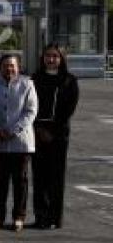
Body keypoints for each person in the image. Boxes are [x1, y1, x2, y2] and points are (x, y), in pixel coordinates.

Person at [31, 44, 79, 229]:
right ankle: (41, 216)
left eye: (55, 56)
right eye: (47, 56)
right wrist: (39, 128)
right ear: (42, 58)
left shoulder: (69, 80)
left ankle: (55, 217)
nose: (51, 59)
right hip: (37, 133)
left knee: (56, 177)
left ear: (62, 59)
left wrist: (53, 131)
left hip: (59, 135)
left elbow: (69, 109)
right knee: (39, 176)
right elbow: (30, 106)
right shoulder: (35, 79)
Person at [0, 54, 38, 232]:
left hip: (21, 142)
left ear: (18, 67)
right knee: (0, 182)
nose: (9, 69)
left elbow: (30, 112)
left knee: (20, 181)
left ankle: (19, 216)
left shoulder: (27, 84)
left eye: (12, 66)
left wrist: (14, 130)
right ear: (0, 68)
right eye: (5, 66)